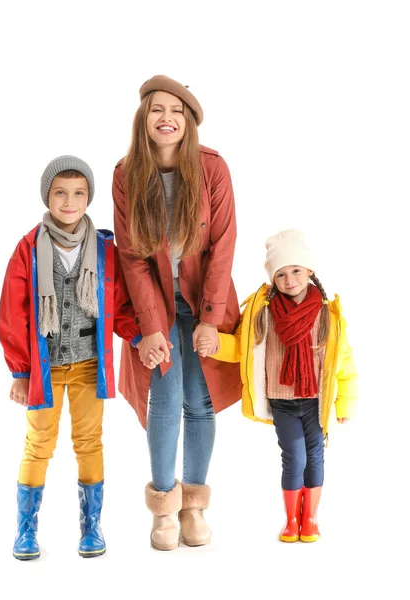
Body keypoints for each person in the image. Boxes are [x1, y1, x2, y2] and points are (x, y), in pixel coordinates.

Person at [112, 75, 242, 550]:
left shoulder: (212, 168)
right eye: (156, 110)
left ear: (187, 121)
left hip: (204, 298)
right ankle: (163, 510)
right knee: (164, 401)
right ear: (143, 120)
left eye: (176, 111)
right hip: (156, 303)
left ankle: (194, 506)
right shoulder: (126, 174)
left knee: (199, 400)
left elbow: (223, 244)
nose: (166, 118)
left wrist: (210, 318)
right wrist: (150, 328)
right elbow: (130, 255)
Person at [0, 155, 140, 560]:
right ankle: (26, 531)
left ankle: (91, 527)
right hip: (45, 367)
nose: (69, 201)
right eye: (60, 192)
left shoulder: (104, 247)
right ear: (48, 195)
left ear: (88, 198)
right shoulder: (29, 247)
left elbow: (119, 303)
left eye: (78, 193)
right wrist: (20, 371)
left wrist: (138, 337)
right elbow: (13, 311)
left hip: (89, 365)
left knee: (89, 441)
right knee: (39, 442)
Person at [199, 229, 358, 542]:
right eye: (281, 274)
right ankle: (290, 520)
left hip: (315, 400)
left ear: (309, 271)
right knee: (294, 457)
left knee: (315, 456)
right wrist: (216, 343)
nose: (290, 279)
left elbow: (345, 361)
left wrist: (346, 403)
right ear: (273, 279)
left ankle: (309, 519)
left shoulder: (327, 314)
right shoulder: (264, 313)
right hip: (282, 400)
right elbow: (243, 349)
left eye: (296, 270)